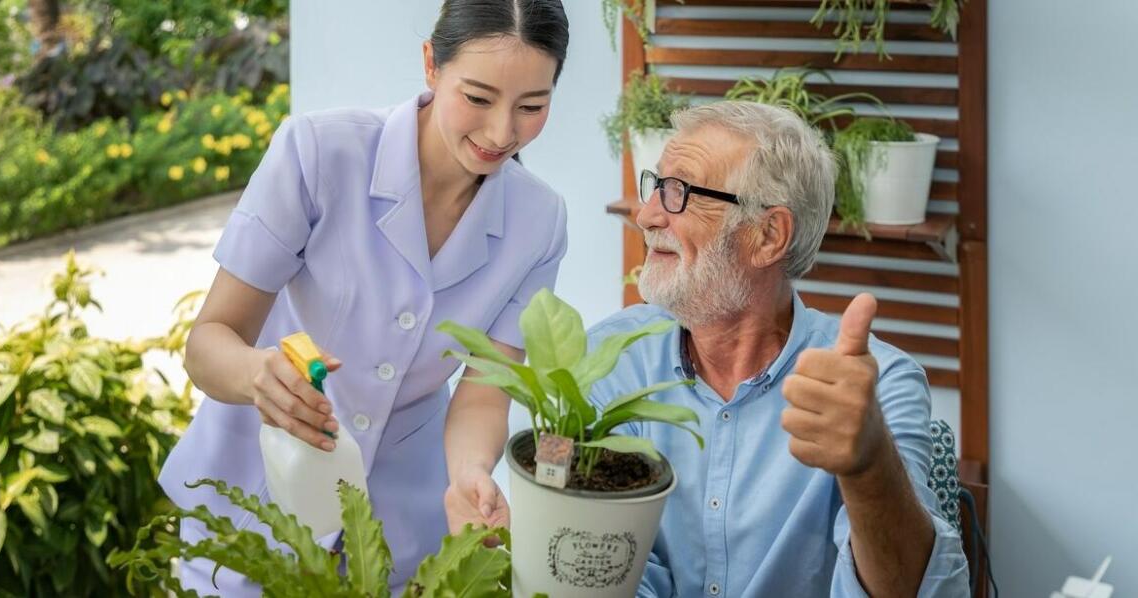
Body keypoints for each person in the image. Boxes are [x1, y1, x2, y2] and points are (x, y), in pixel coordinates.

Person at [158, 1, 570, 593]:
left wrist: (470, 473)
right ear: (432, 64)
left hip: (399, 527)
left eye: (532, 106)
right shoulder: (319, 154)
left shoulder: (540, 221)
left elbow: (485, 389)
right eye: (477, 98)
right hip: (256, 507)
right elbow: (208, 342)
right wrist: (258, 376)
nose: (502, 132)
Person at [582, 101, 970, 596]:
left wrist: (869, 464)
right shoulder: (612, 358)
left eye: (679, 192)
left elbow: (922, 593)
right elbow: (608, 572)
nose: (648, 214)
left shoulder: (879, 384)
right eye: (656, 185)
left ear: (768, 236)